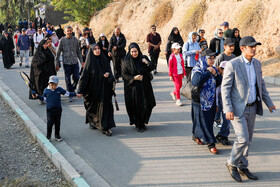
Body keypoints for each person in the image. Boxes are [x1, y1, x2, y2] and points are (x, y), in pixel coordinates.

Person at [222, 36, 276, 182]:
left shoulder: (257, 64)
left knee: (248, 140)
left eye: (255, 46)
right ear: (243, 48)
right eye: (251, 46)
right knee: (242, 138)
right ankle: (231, 163)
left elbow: (261, 85)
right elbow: (225, 89)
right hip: (237, 109)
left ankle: (243, 165)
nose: (254, 49)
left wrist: (269, 103)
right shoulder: (232, 64)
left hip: (252, 107)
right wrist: (228, 109)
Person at [77, 44, 116, 136]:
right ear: (91, 51)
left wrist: (108, 75)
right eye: (95, 49)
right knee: (93, 107)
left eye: (98, 49)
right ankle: (93, 122)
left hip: (104, 90)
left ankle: (105, 127)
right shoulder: (89, 63)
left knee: (104, 107)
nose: (97, 51)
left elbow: (111, 74)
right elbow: (84, 77)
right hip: (93, 90)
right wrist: (80, 90)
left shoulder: (104, 60)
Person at [191, 49, 222, 154]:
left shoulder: (213, 68)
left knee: (205, 120)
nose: (213, 60)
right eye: (210, 58)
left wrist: (216, 75)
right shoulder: (197, 68)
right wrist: (208, 72)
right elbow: (196, 81)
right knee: (203, 121)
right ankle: (211, 143)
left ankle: (196, 135)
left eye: (214, 58)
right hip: (199, 100)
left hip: (211, 99)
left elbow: (218, 82)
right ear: (204, 58)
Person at [122, 43, 156, 132]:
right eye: (132, 52)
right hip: (134, 88)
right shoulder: (126, 61)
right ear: (129, 52)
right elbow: (124, 75)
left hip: (145, 86)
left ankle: (143, 121)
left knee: (149, 103)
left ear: (138, 50)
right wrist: (134, 78)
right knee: (138, 106)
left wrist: (147, 62)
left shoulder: (143, 58)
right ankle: (138, 124)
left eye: (135, 51)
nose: (134, 53)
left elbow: (152, 67)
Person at [33, 76, 79, 141]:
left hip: (58, 109)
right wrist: (38, 96)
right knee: (50, 123)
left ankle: (57, 135)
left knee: (57, 123)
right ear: (49, 83)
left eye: (55, 85)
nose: (53, 86)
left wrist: (76, 94)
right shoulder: (46, 90)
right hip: (50, 110)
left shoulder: (59, 89)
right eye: (51, 84)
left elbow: (67, 94)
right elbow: (44, 98)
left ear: (57, 84)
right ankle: (48, 136)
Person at [56, 26, 83, 102]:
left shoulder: (75, 40)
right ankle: (70, 94)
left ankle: (72, 88)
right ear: (65, 32)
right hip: (66, 62)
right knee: (67, 79)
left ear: (72, 31)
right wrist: (57, 63)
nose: (69, 32)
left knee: (77, 77)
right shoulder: (62, 40)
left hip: (74, 62)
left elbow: (78, 52)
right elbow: (58, 53)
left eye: (70, 30)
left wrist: (82, 62)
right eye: (67, 31)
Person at [213, 38, 236, 129]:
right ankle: (217, 119)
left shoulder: (234, 57)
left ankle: (227, 123)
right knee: (219, 104)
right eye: (229, 46)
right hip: (220, 85)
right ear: (224, 46)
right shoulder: (220, 57)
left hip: (230, 85)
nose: (231, 48)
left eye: (233, 46)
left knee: (227, 104)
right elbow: (215, 70)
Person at [29, 38, 56, 103]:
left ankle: (48, 97)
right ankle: (41, 98)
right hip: (40, 73)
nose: (46, 45)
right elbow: (34, 63)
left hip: (49, 72)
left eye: (46, 44)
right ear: (41, 45)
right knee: (40, 86)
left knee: (49, 85)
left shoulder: (48, 51)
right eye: (44, 44)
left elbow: (52, 60)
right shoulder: (38, 53)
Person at [214, 61, 231, 145]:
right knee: (225, 119)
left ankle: (223, 135)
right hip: (220, 98)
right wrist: (216, 104)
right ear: (220, 69)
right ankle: (220, 135)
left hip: (227, 98)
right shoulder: (218, 78)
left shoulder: (231, 77)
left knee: (227, 119)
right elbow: (216, 93)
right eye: (224, 69)